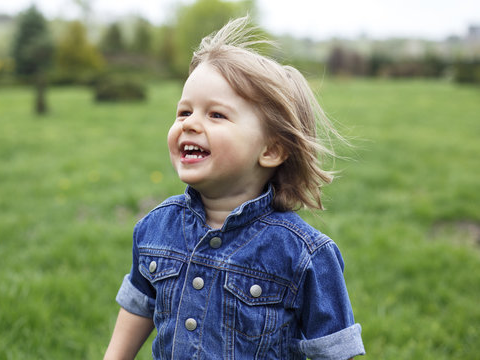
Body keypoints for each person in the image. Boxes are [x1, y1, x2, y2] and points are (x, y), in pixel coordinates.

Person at [104, 16, 365, 360]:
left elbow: (333, 351)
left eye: (216, 115)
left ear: (270, 150)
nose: (190, 124)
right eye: (184, 112)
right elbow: (139, 304)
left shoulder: (303, 255)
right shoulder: (156, 228)